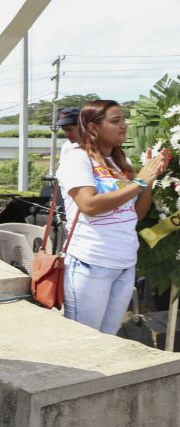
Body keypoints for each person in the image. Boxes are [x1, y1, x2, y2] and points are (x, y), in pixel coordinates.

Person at [56, 100, 168, 334]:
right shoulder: (77, 159)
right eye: (115, 121)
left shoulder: (120, 162)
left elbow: (135, 213)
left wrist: (148, 180)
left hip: (125, 265)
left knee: (108, 340)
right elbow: (89, 204)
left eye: (123, 119)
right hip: (91, 263)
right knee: (84, 341)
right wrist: (138, 182)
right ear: (94, 127)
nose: (124, 125)